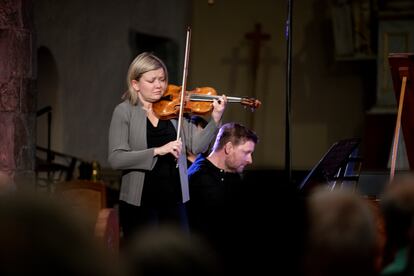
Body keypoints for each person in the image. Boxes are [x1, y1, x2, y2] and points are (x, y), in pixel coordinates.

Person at [108, 52, 227, 241]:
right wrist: (157, 151)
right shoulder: (124, 112)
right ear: (135, 84)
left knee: (175, 261)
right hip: (139, 201)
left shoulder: (175, 110)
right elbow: (116, 158)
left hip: (174, 198)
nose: (159, 85)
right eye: (152, 80)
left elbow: (197, 147)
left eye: (162, 79)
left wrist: (215, 120)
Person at [186, 122, 258, 270]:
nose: (250, 160)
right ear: (229, 148)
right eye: (246, 153)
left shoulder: (235, 176)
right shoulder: (198, 177)